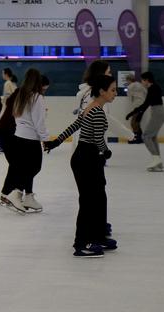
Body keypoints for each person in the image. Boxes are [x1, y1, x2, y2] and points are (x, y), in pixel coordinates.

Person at [44, 75, 119, 257]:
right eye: (113, 90)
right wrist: (106, 152)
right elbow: (98, 138)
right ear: (102, 91)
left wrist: (57, 141)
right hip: (88, 157)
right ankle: (82, 243)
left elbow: (75, 125)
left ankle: (98, 236)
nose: (115, 94)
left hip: (84, 156)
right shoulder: (98, 111)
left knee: (99, 198)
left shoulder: (90, 107)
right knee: (89, 201)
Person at [0, 68, 48, 213]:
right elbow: (39, 122)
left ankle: (28, 196)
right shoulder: (36, 97)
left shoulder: (21, 94)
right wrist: (46, 139)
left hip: (18, 136)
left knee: (23, 167)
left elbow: (17, 115)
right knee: (32, 167)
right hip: (27, 137)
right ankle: (14, 193)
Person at [126, 71, 164, 172]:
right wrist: (133, 113)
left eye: (142, 80)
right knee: (152, 137)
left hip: (158, 113)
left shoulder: (153, 88)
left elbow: (146, 104)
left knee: (146, 136)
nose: (141, 83)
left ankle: (156, 158)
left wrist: (134, 114)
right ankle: (159, 164)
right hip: (159, 112)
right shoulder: (153, 88)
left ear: (147, 80)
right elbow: (146, 104)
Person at [126, 73, 146, 144]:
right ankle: (141, 138)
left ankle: (136, 138)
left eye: (127, 80)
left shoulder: (130, 87)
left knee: (133, 122)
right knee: (137, 122)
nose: (127, 82)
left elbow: (130, 98)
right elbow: (145, 92)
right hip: (143, 105)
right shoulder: (140, 84)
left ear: (129, 80)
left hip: (137, 106)